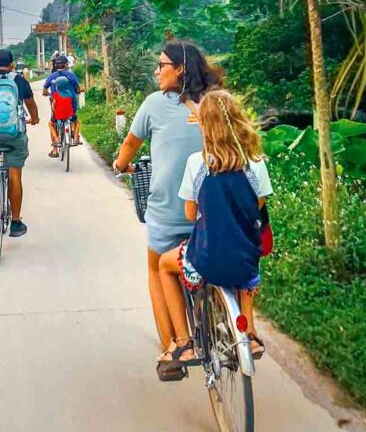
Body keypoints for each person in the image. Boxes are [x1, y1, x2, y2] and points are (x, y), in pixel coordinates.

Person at [112, 41, 223, 379]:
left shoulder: (154, 104)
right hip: (214, 213)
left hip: (169, 213)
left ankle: (174, 347)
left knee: (156, 268)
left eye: (162, 65)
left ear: (181, 70)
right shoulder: (215, 104)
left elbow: (131, 144)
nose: (157, 72)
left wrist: (120, 164)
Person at [156, 90, 271, 372]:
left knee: (164, 264)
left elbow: (189, 214)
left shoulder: (198, 163)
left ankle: (184, 342)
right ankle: (250, 335)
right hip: (245, 260)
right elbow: (257, 206)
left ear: (204, 125)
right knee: (245, 257)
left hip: (206, 260)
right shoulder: (255, 162)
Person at [0, 48, 39, 238]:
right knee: (15, 175)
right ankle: (16, 222)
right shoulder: (19, 80)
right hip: (14, 135)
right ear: (12, 65)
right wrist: (34, 118)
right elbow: (31, 103)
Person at [43, 55, 82, 153]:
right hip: (71, 104)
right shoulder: (71, 75)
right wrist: (77, 91)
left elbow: (44, 90)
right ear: (66, 65)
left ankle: (55, 149)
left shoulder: (52, 76)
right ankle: (75, 136)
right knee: (74, 118)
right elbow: (77, 87)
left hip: (56, 105)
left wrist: (48, 93)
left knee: (54, 122)